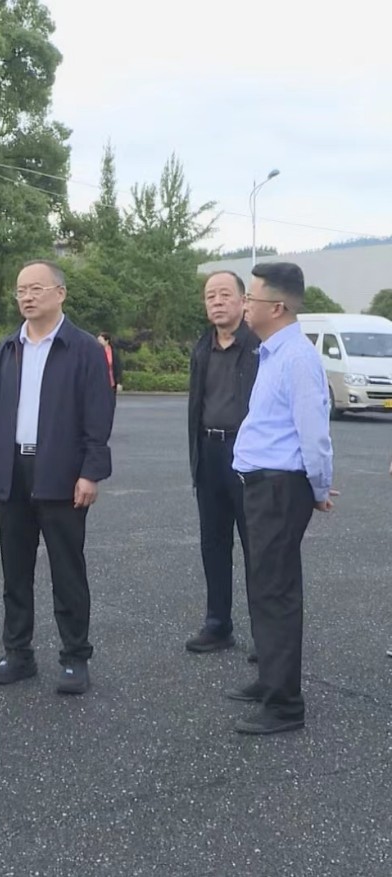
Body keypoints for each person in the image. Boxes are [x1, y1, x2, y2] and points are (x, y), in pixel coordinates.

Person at [0, 260, 114, 695]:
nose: (27, 297)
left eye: (36, 288)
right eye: (21, 290)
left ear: (60, 293)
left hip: (61, 472)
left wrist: (90, 472)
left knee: (67, 569)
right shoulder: (7, 348)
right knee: (15, 570)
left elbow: (98, 416)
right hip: (11, 470)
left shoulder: (83, 348)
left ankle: (75, 657)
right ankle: (18, 653)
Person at [226, 262, 334, 735]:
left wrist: (318, 487)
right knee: (263, 585)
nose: (243, 304)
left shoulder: (297, 358)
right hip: (263, 485)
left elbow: (314, 433)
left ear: (278, 307)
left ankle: (285, 704)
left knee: (276, 591)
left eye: (250, 298)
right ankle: (271, 679)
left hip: (279, 488)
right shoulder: (273, 353)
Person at [185, 272, 260, 655]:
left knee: (257, 546)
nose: (216, 301)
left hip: (248, 456)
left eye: (225, 295)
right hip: (209, 453)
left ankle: (266, 634)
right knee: (213, 543)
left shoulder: (259, 348)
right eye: (210, 296)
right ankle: (218, 624)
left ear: (244, 302)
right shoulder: (203, 347)